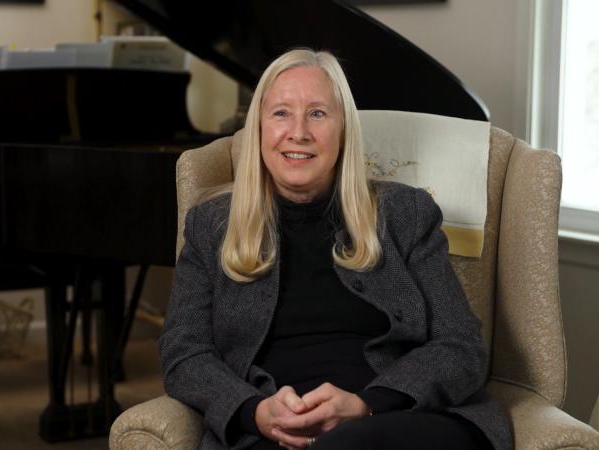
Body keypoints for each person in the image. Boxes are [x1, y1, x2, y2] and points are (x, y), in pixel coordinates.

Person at [159, 49, 512, 450]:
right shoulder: (211, 227)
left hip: (400, 423)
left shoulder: (405, 215)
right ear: (258, 128)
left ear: (344, 129)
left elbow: (460, 345)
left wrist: (366, 405)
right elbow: (184, 353)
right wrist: (253, 411)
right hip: (271, 437)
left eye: (317, 114)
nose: (299, 132)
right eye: (280, 114)